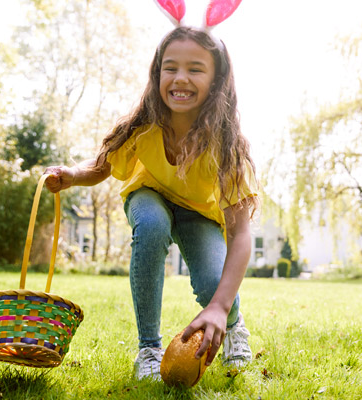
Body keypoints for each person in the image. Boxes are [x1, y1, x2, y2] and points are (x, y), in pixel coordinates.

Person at [44, 25, 260, 380]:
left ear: (217, 79)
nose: (180, 78)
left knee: (212, 285)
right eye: (170, 67)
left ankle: (233, 325)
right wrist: (72, 175)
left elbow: (240, 235)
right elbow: (103, 164)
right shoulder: (145, 123)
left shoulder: (227, 145)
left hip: (199, 213)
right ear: (157, 72)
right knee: (153, 224)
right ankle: (148, 348)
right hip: (150, 194)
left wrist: (220, 306)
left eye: (195, 69)